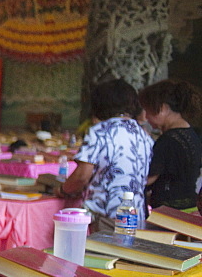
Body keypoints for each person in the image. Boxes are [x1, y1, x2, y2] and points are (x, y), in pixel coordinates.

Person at [60, 79, 153, 231]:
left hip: (106, 213)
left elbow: (82, 176)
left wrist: (63, 189)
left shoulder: (100, 131)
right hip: (136, 214)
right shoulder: (144, 135)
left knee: (102, 254)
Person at [139, 80, 202, 210]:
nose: (146, 117)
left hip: (168, 213)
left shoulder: (167, 141)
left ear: (162, 108)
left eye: (148, 110)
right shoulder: (193, 135)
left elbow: (148, 179)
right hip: (190, 207)